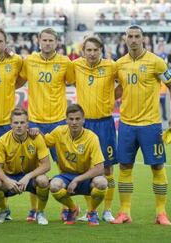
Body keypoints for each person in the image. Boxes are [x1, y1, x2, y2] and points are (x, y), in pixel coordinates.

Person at [111, 25, 171, 226]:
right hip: (126, 125)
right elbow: (118, 89)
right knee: (124, 166)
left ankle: (161, 213)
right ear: (125, 39)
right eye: (130, 36)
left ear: (143, 39)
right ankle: (124, 212)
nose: (133, 40)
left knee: (157, 166)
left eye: (137, 36)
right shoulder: (119, 64)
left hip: (151, 125)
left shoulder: (156, 62)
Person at [20, 27, 73, 221]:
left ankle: (66, 206)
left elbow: (74, 81)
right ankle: (34, 209)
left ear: (57, 42)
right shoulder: (29, 61)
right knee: (34, 167)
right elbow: (17, 81)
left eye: (51, 40)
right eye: (45, 40)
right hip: (35, 122)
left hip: (59, 122)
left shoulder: (65, 62)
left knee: (64, 166)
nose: (48, 43)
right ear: (38, 41)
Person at [71, 36, 118, 222]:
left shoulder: (112, 67)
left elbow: (123, 84)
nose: (91, 53)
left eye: (95, 50)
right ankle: (91, 211)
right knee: (86, 168)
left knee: (107, 169)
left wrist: (113, 97)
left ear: (101, 51)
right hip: (85, 124)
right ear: (83, 51)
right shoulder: (75, 65)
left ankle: (107, 210)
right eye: (88, 50)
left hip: (105, 123)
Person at [44, 104, 107, 226]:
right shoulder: (58, 132)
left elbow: (100, 168)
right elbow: (44, 141)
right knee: (54, 185)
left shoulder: (91, 137)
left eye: (77, 119)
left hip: (86, 177)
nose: (74, 122)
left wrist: (77, 179)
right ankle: (73, 209)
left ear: (83, 120)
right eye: (71, 119)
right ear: (66, 120)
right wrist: (36, 132)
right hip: (66, 176)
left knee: (102, 182)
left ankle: (92, 211)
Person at [0, 108, 51, 225]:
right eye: (16, 123)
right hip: (10, 177)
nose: (19, 126)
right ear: (10, 124)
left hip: (31, 178)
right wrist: (7, 180)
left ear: (27, 124)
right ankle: (4, 210)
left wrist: (28, 176)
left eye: (22, 122)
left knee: (43, 180)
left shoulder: (36, 138)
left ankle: (40, 212)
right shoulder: (3, 140)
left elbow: (47, 165)